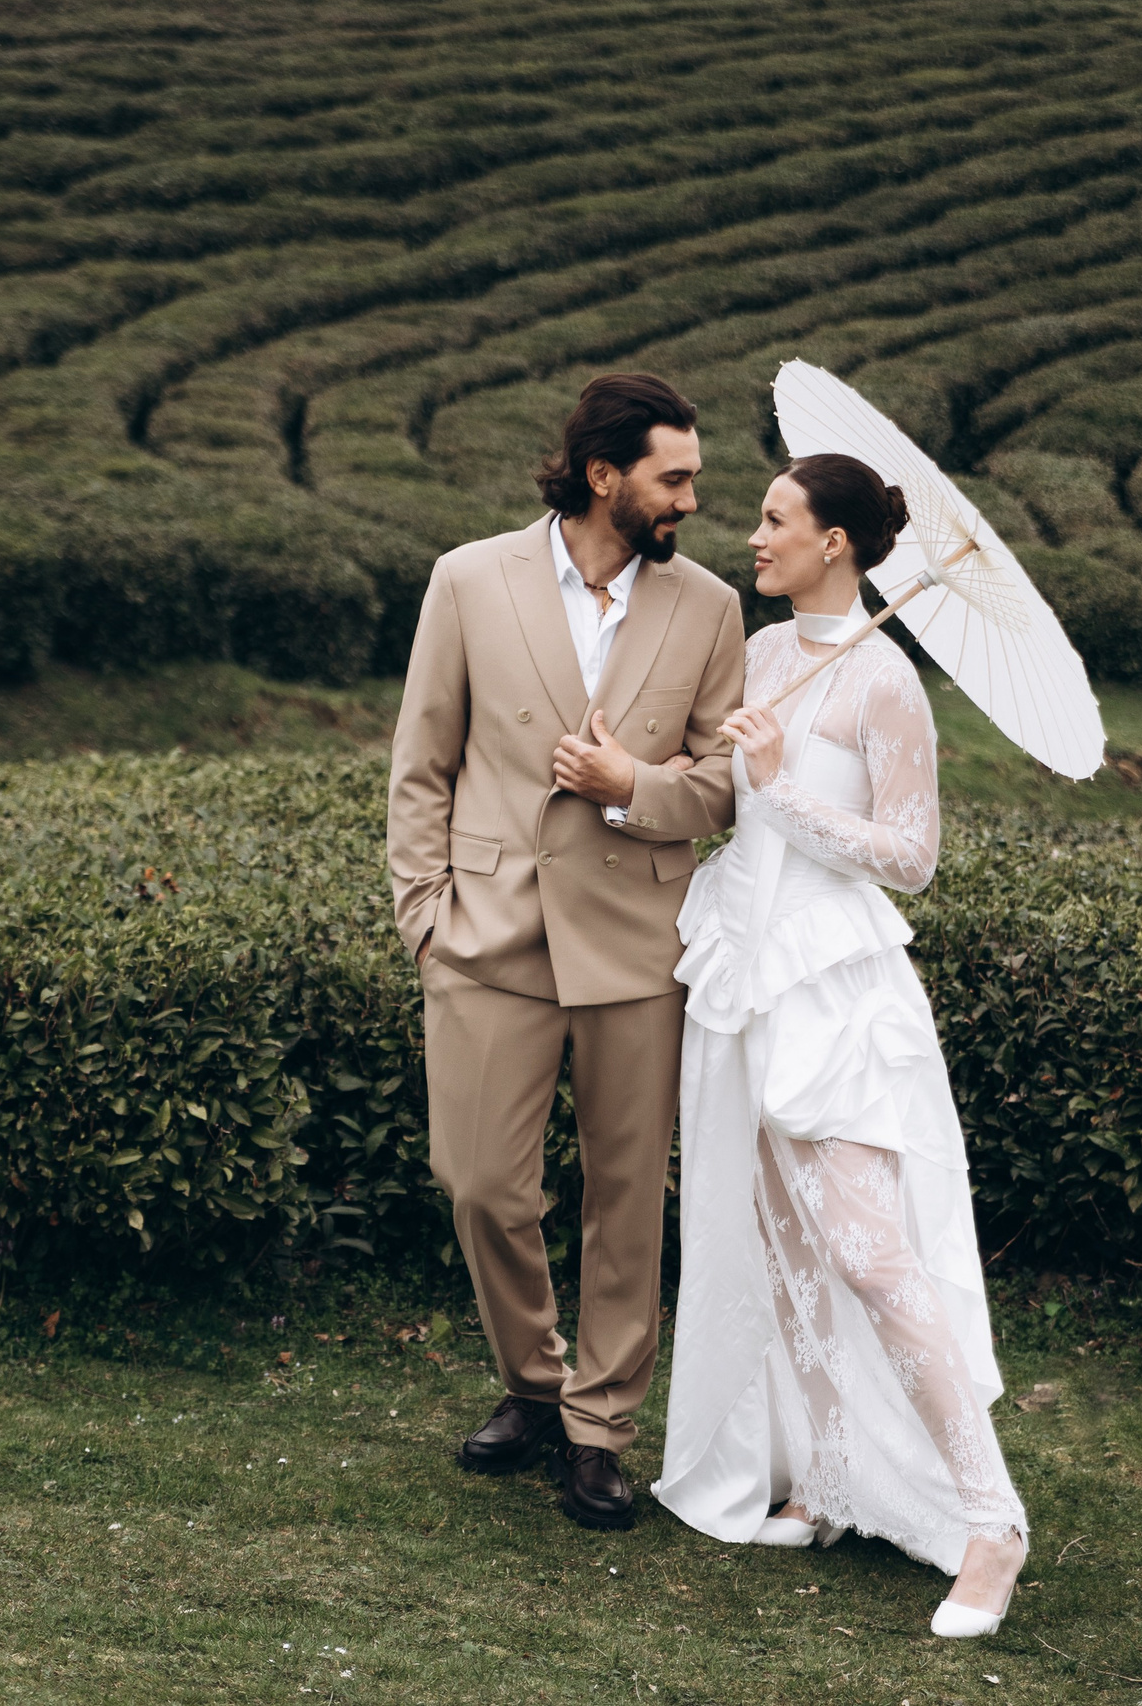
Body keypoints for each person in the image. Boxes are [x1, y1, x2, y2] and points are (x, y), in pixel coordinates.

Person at [652, 453, 1031, 1637]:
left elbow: (910, 856)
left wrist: (782, 786)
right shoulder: (763, 653)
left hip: (832, 985)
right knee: (785, 1243)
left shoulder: (887, 684)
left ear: (833, 543)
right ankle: (825, 1476)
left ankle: (991, 1523)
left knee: (870, 1254)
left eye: (775, 519)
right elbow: (723, 799)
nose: (752, 535)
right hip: (741, 968)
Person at [387, 372, 747, 1530]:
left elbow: (725, 785)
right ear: (604, 476)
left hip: (639, 941)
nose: (691, 499)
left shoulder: (711, 608)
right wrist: (425, 914)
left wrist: (629, 782)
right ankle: (533, 1383)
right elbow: (421, 764)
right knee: (480, 1183)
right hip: (488, 933)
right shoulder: (467, 579)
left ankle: (599, 1430)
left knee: (626, 1199)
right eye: (673, 477)